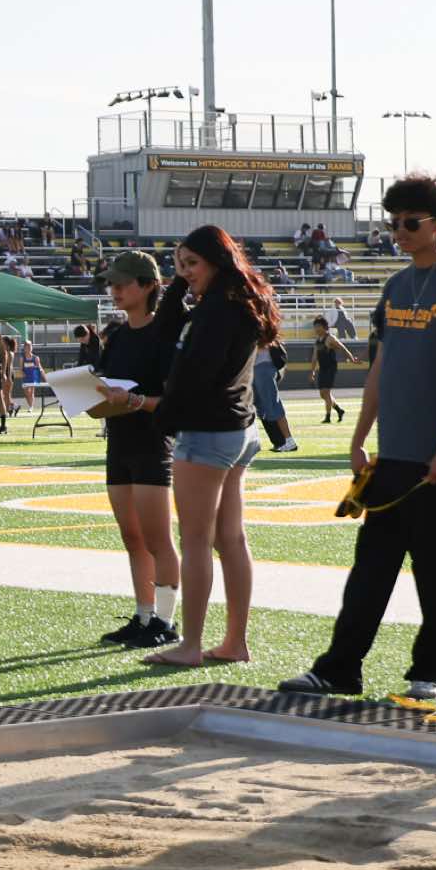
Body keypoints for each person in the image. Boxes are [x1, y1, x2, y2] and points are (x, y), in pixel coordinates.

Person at [280, 173, 436, 706]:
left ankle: (429, 672)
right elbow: (380, 368)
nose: (399, 232)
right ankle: (340, 669)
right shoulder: (395, 286)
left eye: (410, 223)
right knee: (370, 572)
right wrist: (358, 437)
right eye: (393, 222)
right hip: (390, 457)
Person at [107, 226, 279, 668]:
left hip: (209, 431)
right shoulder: (232, 302)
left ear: (217, 261)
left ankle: (191, 645)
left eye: (192, 264)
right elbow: (167, 331)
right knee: (230, 538)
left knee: (197, 541)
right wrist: (180, 284)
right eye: (179, 265)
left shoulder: (217, 309)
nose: (184, 273)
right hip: (238, 428)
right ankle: (235, 642)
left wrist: (162, 415)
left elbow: (194, 375)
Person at [93, 251, 181, 649]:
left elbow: (174, 400)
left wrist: (134, 401)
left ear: (148, 286)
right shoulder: (117, 336)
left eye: (122, 283)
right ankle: (144, 614)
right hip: (119, 441)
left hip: (151, 442)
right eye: (111, 283)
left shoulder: (164, 334)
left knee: (158, 538)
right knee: (132, 536)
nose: (114, 290)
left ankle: (166, 620)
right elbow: (107, 385)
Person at [310, 315, 357, 423]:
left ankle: (328, 417)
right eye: (315, 327)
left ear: (324, 327)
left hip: (330, 368)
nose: (316, 329)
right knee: (323, 394)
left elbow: (343, 348)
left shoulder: (330, 338)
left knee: (326, 392)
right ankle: (339, 410)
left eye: (318, 326)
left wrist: (351, 358)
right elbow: (314, 358)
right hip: (322, 369)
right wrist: (312, 372)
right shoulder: (317, 341)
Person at [18, 337, 44, 415]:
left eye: (30, 346)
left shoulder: (35, 358)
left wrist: (42, 374)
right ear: (24, 348)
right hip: (25, 377)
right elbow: (21, 368)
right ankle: (30, 405)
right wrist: (22, 372)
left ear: (31, 347)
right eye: (27, 346)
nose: (28, 348)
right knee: (26, 393)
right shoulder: (22, 358)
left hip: (33, 376)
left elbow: (39, 367)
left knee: (31, 392)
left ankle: (31, 407)